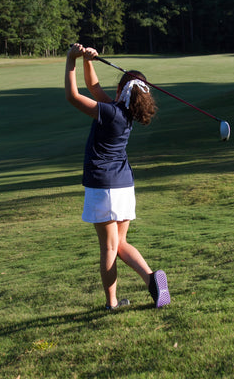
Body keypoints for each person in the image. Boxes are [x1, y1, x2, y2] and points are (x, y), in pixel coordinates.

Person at [65, 43, 170, 310]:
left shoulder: (110, 112)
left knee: (109, 249)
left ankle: (113, 303)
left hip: (104, 187)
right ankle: (152, 280)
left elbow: (74, 96)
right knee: (120, 243)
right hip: (123, 186)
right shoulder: (123, 113)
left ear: (121, 90)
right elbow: (93, 88)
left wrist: (71, 60)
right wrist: (90, 59)